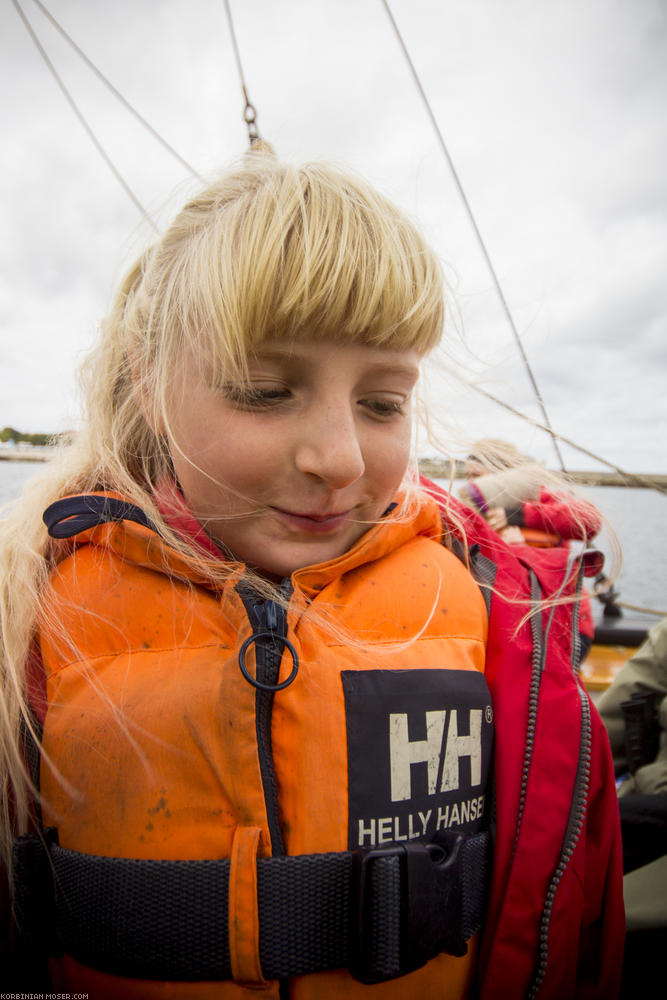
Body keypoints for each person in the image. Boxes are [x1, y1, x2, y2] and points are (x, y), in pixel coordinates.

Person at [0, 156, 624, 998]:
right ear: (147, 384)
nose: (338, 459)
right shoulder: (29, 625)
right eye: (264, 390)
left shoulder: (495, 614)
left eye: (382, 404)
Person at [460, 439, 602, 659]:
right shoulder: (473, 514)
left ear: (504, 474)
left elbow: (589, 521)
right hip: (514, 627)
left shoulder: (541, 499)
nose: (471, 484)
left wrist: (521, 516)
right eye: (467, 476)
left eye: (476, 476)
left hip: (562, 627)